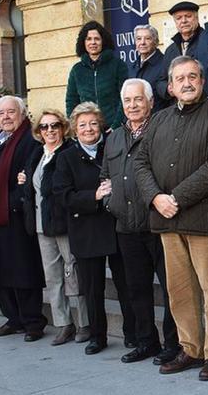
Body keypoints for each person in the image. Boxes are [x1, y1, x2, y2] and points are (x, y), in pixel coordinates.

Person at [134, 56, 208, 381]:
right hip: (166, 221)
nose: (187, 82)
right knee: (179, 292)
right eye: (180, 78)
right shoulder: (160, 120)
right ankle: (190, 349)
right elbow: (140, 163)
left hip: (204, 221)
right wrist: (155, 197)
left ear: (202, 82)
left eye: (193, 76)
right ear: (172, 86)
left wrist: (175, 198)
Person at [102, 78, 181, 365]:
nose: (133, 105)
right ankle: (146, 342)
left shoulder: (162, 129)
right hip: (126, 226)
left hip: (158, 225)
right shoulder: (113, 137)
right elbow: (105, 177)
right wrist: (108, 202)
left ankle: (173, 345)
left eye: (138, 99)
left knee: (171, 287)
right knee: (137, 290)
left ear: (149, 102)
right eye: (128, 101)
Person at [54, 102, 135, 355]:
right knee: (92, 289)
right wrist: (94, 196)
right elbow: (62, 196)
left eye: (92, 123)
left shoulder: (112, 148)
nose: (88, 129)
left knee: (126, 285)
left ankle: (132, 334)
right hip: (86, 230)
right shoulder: (65, 157)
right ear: (74, 130)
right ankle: (97, 336)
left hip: (116, 226)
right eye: (82, 125)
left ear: (100, 125)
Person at [18, 108, 91, 346]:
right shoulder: (37, 155)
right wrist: (24, 181)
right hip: (41, 224)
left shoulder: (69, 152)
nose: (50, 131)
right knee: (53, 277)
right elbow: (34, 189)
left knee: (73, 273)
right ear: (38, 131)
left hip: (64, 223)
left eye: (55, 126)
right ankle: (63, 324)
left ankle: (83, 323)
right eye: (44, 127)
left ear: (63, 128)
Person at [0, 96, 47, 342]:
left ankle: (33, 322)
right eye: (1, 113)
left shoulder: (30, 140)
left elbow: (29, 177)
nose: (6, 117)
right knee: (0, 270)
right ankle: (13, 318)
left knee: (23, 271)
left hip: (16, 216)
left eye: (11, 112)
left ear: (22, 113)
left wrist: (12, 202)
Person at [66, 21, 129, 129]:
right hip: (87, 130)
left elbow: (124, 97)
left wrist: (116, 126)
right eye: (88, 39)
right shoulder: (77, 70)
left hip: (113, 129)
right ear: (83, 42)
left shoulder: (118, 65)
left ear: (103, 41)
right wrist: (76, 127)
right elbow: (71, 101)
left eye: (97, 39)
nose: (93, 42)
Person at [130, 24, 171, 113]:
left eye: (147, 38)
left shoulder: (165, 64)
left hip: (160, 121)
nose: (142, 42)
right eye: (139, 39)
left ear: (155, 42)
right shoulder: (132, 67)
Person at [162, 1, 203, 70]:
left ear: (197, 18)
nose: (183, 21)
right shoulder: (170, 51)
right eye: (179, 18)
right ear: (175, 22)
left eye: (188, 16)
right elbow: (164, 78)